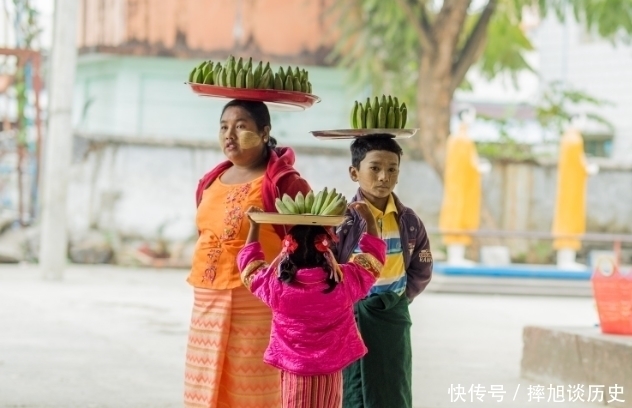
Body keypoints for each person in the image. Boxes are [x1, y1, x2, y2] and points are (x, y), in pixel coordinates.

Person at [184, 99, 311, 408]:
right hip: (207, 302)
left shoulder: (285, 184)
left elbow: (311, 243)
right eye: (224, 127)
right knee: (203, 390)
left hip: (258, 304)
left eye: (241, 127)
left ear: (265, 132)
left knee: (252, 391)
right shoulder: (210, 181)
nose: (230, 135)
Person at [237, 203, 386, 408]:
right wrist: (369, 220)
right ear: (326, 251)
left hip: (294, 373)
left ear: (288, 251)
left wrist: (254, 226)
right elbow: (373, 260)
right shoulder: (343, 281)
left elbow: (249, 267)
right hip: (330, 372)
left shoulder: (277, 286)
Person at [332, 135, 434, 408]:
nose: (383, 177)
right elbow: (329, 266)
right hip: (350, 315)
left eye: (392, 169)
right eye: (374, 168)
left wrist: (400, 298)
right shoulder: (340, 220)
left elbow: (423, 263)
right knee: (352, 388)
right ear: (354, 172)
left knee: (393, 386)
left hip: (392, 317)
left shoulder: (410, 222)